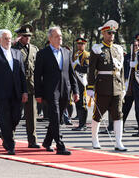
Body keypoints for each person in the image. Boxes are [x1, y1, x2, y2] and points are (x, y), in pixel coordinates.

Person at [34, 26, 79, 155]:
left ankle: (47, 141)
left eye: (60, 36)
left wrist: (76, 91)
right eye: (56, 36)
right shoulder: (42, 54)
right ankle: (60, 146)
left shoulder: (66, 52)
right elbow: (37, 75)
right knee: (54, 116)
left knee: (57, 118)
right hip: (50, 91)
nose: (60, 38)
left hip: (65, 89)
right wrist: (38, 93)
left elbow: (71, 73)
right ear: (50, 38)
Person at [87, 20, 127, 151]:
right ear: (103, 33)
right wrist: (90, 87)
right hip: (103, 87)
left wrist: (123, 87)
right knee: (98, 115)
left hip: (116, 87)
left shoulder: (118, 49)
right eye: (109, 33)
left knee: (118, 114)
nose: (111, 36)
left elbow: (121, 70)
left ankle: (118, 142)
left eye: (113, 33)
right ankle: (95, 139)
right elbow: (92, 69)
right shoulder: (97, 49)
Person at [0, 29, 28, 155]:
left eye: (10, 38)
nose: (8, 40)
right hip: (1, 93)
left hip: (16, 92)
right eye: (5, 38)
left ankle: (4, 134)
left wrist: (25, 91)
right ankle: (10, 145)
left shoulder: (17, 53)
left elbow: (22, 74)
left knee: (16, 117)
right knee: (4, 119)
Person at [12, 24, 40, 148]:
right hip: (17, 85)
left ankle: (32, 141)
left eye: (29, 36)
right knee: (16, 114)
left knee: (32, 115)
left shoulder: (34, 49)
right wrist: (13, 43)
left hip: (31, 84)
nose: (27, 38)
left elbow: (38, 67)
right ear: (19, 37)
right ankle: (8, 134)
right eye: (24, 36)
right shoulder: (14, 49)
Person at [71, 37, 90, 131]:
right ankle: (80, 124)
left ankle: (83, 125)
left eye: (82, 44)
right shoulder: (76, 54)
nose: (80, 45)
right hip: (77, 82)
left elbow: (86, 69)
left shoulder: (86, 55)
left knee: (83, 103)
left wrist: (76, 66)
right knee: (78, 103)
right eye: (78, 44)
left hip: (83, 82)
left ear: (85, 44)